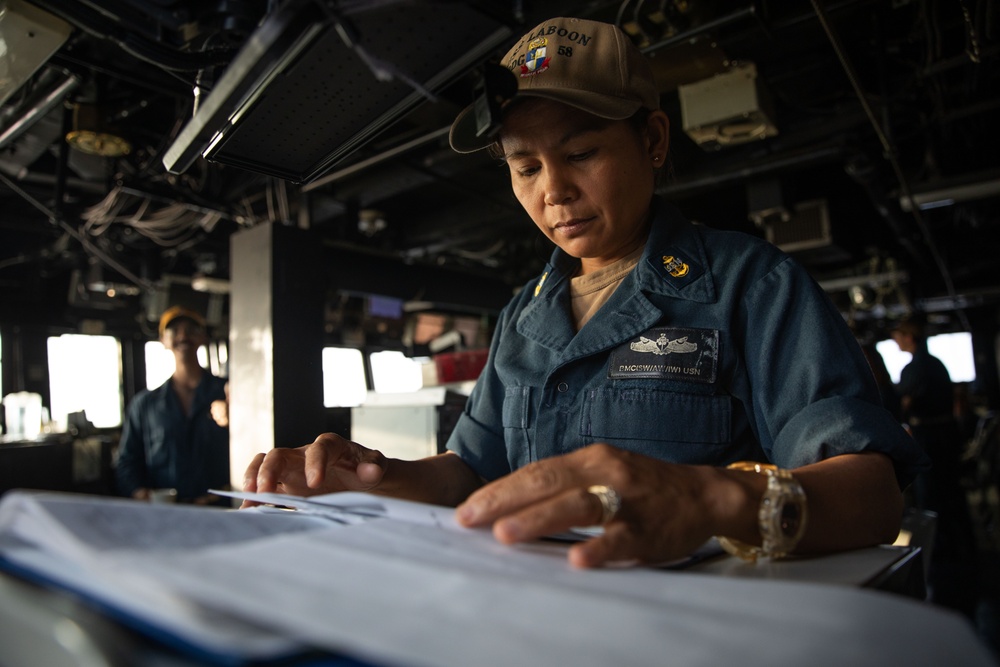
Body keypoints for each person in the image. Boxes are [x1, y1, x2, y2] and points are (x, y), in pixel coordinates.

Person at [243, 17, 927, 568]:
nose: (553, 190)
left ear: (653, 140)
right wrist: (371, 475)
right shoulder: (524, 315)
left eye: (581, 153)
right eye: (525, 166)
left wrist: (711, 496)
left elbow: (873, 494)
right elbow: (469, 472)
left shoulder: (750, 286)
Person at [891, 319, 978, 617]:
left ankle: (939, 557)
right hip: (947, 437)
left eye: (898, 337)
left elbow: (901, 403)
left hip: (929, 439)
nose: (896, 343)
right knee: (953, 493)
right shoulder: (937, 364)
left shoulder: (914, 368)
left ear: (909, 337)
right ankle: (966, 552)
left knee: (932, 497)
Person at [116, 306, 231, 505]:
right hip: (167, 513)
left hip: (222, 508)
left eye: (191, 329)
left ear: (203, 337)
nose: (183, 336)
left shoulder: (230, 392)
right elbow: (126, 463)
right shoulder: (144, 405)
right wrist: (142, 495)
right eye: (174, 331)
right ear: (163, 341)